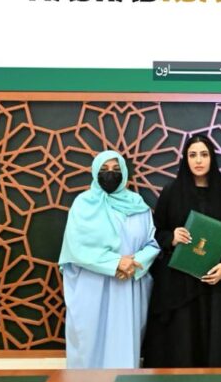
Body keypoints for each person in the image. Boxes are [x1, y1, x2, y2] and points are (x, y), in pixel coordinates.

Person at [143, 134, 221, 367]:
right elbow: (156, 232)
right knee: (183, 343)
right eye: (193, 155)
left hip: (213, 283)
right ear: (185, 159)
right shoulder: (171, 192)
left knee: (214, 343)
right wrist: (172, 237)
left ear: (212, 158)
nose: (198, 160)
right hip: (179, 283)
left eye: (204, 154)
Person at [59, 150, 160, 368]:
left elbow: (152, 244)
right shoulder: (83, 204)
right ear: (95, 172)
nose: (110, 174)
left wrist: (134, 263)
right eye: (104, 169)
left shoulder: (137, 204)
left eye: (116, 169)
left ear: (124, 173)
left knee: (123, 346)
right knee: (89, 347)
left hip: (127, 287)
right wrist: (116, 263)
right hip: (92, 288)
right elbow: (76, 247)